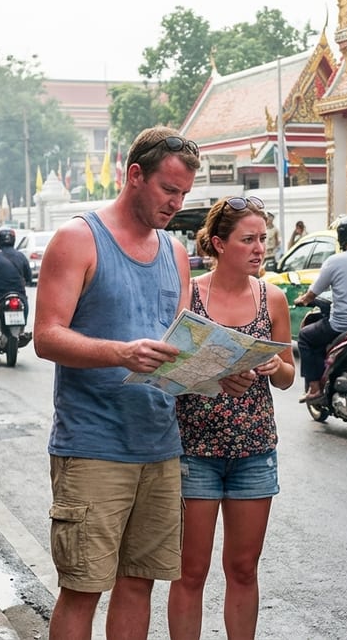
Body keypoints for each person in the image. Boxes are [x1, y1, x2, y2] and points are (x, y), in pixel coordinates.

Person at [33, 126, 201, 639]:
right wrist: (119, 352)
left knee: (139, 583)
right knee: (83, 587)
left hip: (159, 444)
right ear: (135, 176)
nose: (176, 203)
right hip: (93, 445)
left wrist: (215, 373)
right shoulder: (78, 239)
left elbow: (178, 347)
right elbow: (45, 337)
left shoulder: (175, 252)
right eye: (168, 190)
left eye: (184, 194)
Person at [166, 196, 296, 640]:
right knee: (191, 570)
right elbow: (168, 372)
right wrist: (214, 375)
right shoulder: (189, 296)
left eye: (263, 239)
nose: (259, 248)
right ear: (219, 244)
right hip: (195, 451)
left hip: (254, 451)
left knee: (243, 568)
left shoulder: (272, 299)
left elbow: (288, 376)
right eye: (248, 240)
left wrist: (275, 367)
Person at [293, 215, 347, 402]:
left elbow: (312, 294)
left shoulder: (334, 261)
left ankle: (315, 388)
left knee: (306, 337)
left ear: (342, 237)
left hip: (341, 327)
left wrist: (302, 300)